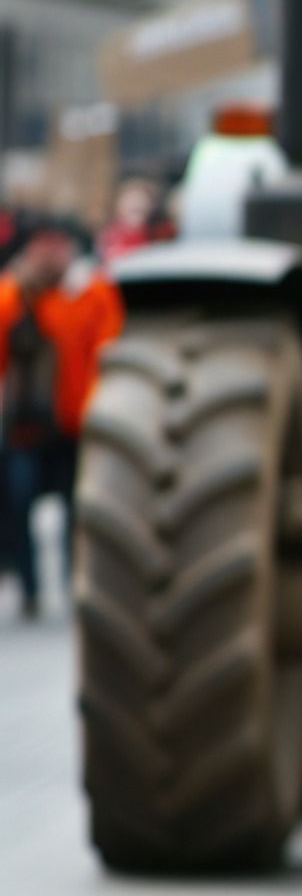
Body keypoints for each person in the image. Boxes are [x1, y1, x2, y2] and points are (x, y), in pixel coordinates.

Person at [0, 224, 123, 619]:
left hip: (76, 422)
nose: (50, 255)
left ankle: (77, 584)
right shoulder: (13, 295)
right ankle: (30, 588)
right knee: (18, 502)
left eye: (57, 246)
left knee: (79, 507)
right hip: (27, 424)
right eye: (43, 246)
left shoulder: (92, 293)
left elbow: (108, 346)